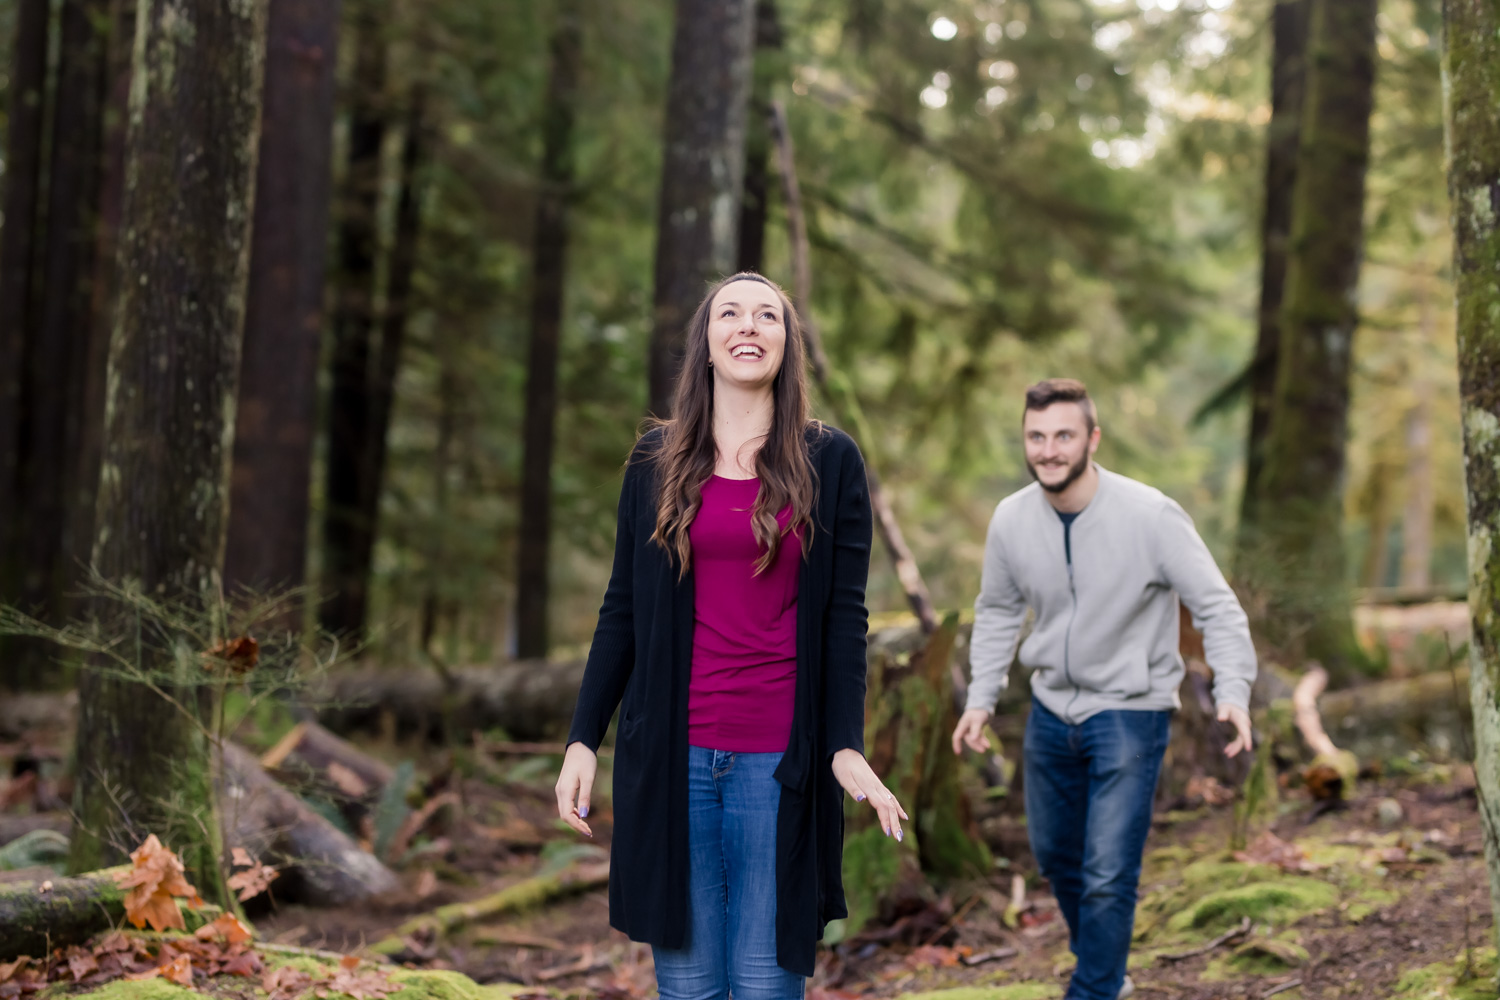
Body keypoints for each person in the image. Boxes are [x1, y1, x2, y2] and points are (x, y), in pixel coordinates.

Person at [555, 272, 906, 1000]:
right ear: (707, 342)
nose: (748, 326)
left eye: (767, 316)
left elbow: (846, 618)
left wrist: (845, 744)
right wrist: (583, 737)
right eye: (731, 313)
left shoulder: (829, 460)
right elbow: (620, 608)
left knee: (762, 984)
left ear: (787, 342)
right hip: (671, 758)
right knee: (688, 989)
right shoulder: (655, 462)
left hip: (782, 764)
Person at [950, 378, 1257, 1000]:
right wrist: (981, 698)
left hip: (1130, 710)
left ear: (1092, 439)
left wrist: (1234, 690)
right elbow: (999, 610)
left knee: (1109, 872)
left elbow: (1218, 608)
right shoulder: (1012, 520)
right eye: (1036, 437)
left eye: (1063, 435)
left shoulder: (1150, 516)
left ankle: (1094, 987)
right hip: (1050, 708)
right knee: (1057, 858)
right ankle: (1107, 968)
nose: (1048, 450)